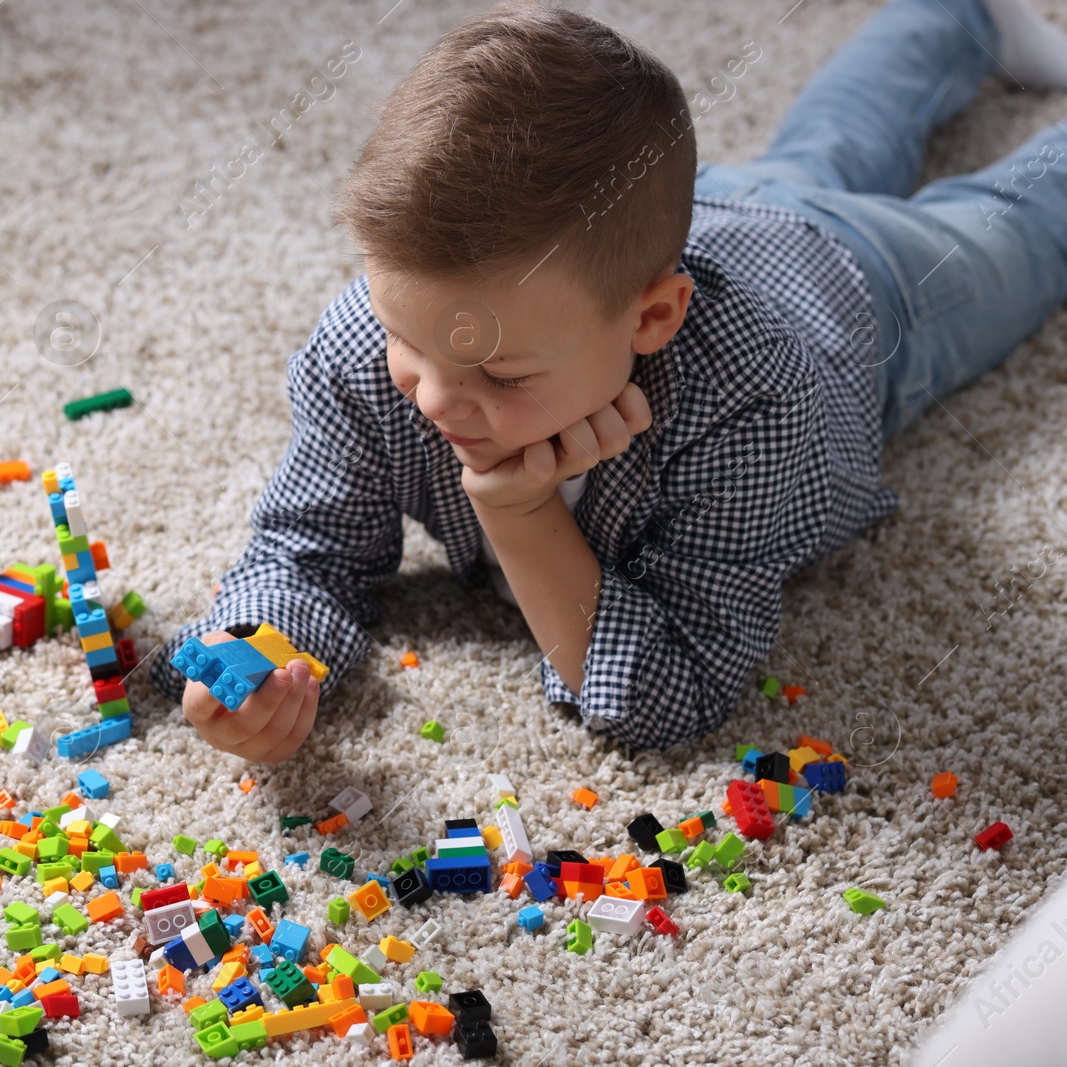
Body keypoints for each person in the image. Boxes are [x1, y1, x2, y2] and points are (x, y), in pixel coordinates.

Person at [150, 0, 1067, 761]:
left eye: (500, 374)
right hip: (697, 220)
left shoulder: (756, 401)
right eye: (407, 338)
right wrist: (257, 656)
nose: (431, 398)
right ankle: (958, 11)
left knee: (1018, 226)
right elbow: (307, 550)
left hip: (855, 284)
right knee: (834, 136)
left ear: (654, 318)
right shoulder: (365, 348)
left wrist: (518, 512)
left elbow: (673, 692)